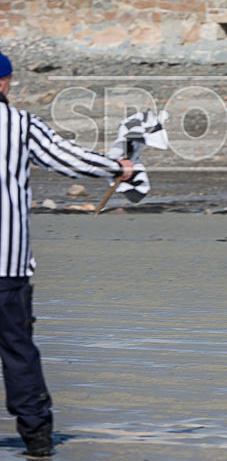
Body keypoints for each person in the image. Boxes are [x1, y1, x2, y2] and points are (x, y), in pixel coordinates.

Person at [0, 51, 133, 457]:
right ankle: (37, 439)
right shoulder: (19, 125)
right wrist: (116, 167)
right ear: (4, 82)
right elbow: (67, 158)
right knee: (18, 350)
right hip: (7, 264)